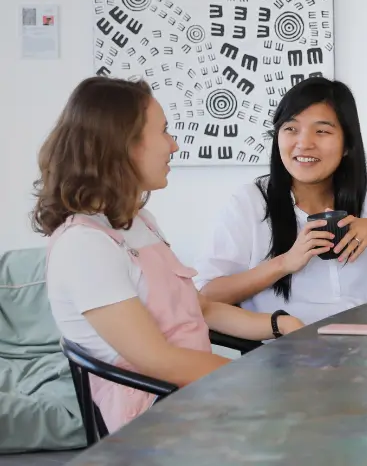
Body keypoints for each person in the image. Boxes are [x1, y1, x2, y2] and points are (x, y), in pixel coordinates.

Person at [35, 77, 303, 433]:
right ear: (123, 145)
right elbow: (158, 360)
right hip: (155, 421)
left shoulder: (138, 222)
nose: (174, 145)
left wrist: (280, 323)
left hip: (190, 397)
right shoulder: (84, 246)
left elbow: (201, 309)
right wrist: (262, 385)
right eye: (164, 132)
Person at [195, 77, 367, 325]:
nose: (304, 143)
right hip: (287, 354)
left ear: (347, 144)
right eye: (291, 129)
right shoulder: (250, 201)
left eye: (321, 131)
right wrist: (285, 262)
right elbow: (205, 295)